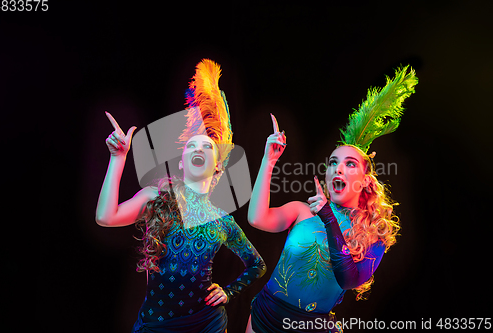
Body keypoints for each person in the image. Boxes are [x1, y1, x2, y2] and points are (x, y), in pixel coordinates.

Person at [95, 59, 266, 333]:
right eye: (191, 146)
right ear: (182, 162)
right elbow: (106, 217)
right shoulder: (157, 196)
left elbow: (257, 265)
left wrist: (229, 292)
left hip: (206, 324)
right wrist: (118, 158)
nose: (198, 149)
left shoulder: (221, 220)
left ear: (218, 164)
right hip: (156, 324)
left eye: (207, 147)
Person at [246, 66, 418, 333]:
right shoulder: (302, 211)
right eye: (333, 162)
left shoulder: (373, 235)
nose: (338, 168)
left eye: (350, 164)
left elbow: (349, 278)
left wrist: (328, 216)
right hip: (265, 317)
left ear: (366, 181)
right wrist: (269, 161)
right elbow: (257, 218)